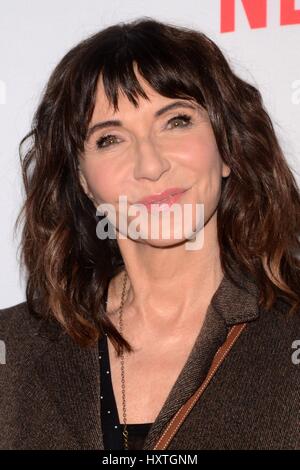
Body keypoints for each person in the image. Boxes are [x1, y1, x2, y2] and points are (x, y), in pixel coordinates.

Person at [0, 17, 299, 451]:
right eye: (109, 139)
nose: (151, 164)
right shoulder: (14, 350)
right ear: (83, 181)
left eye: (176, 121)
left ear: (227, 148)